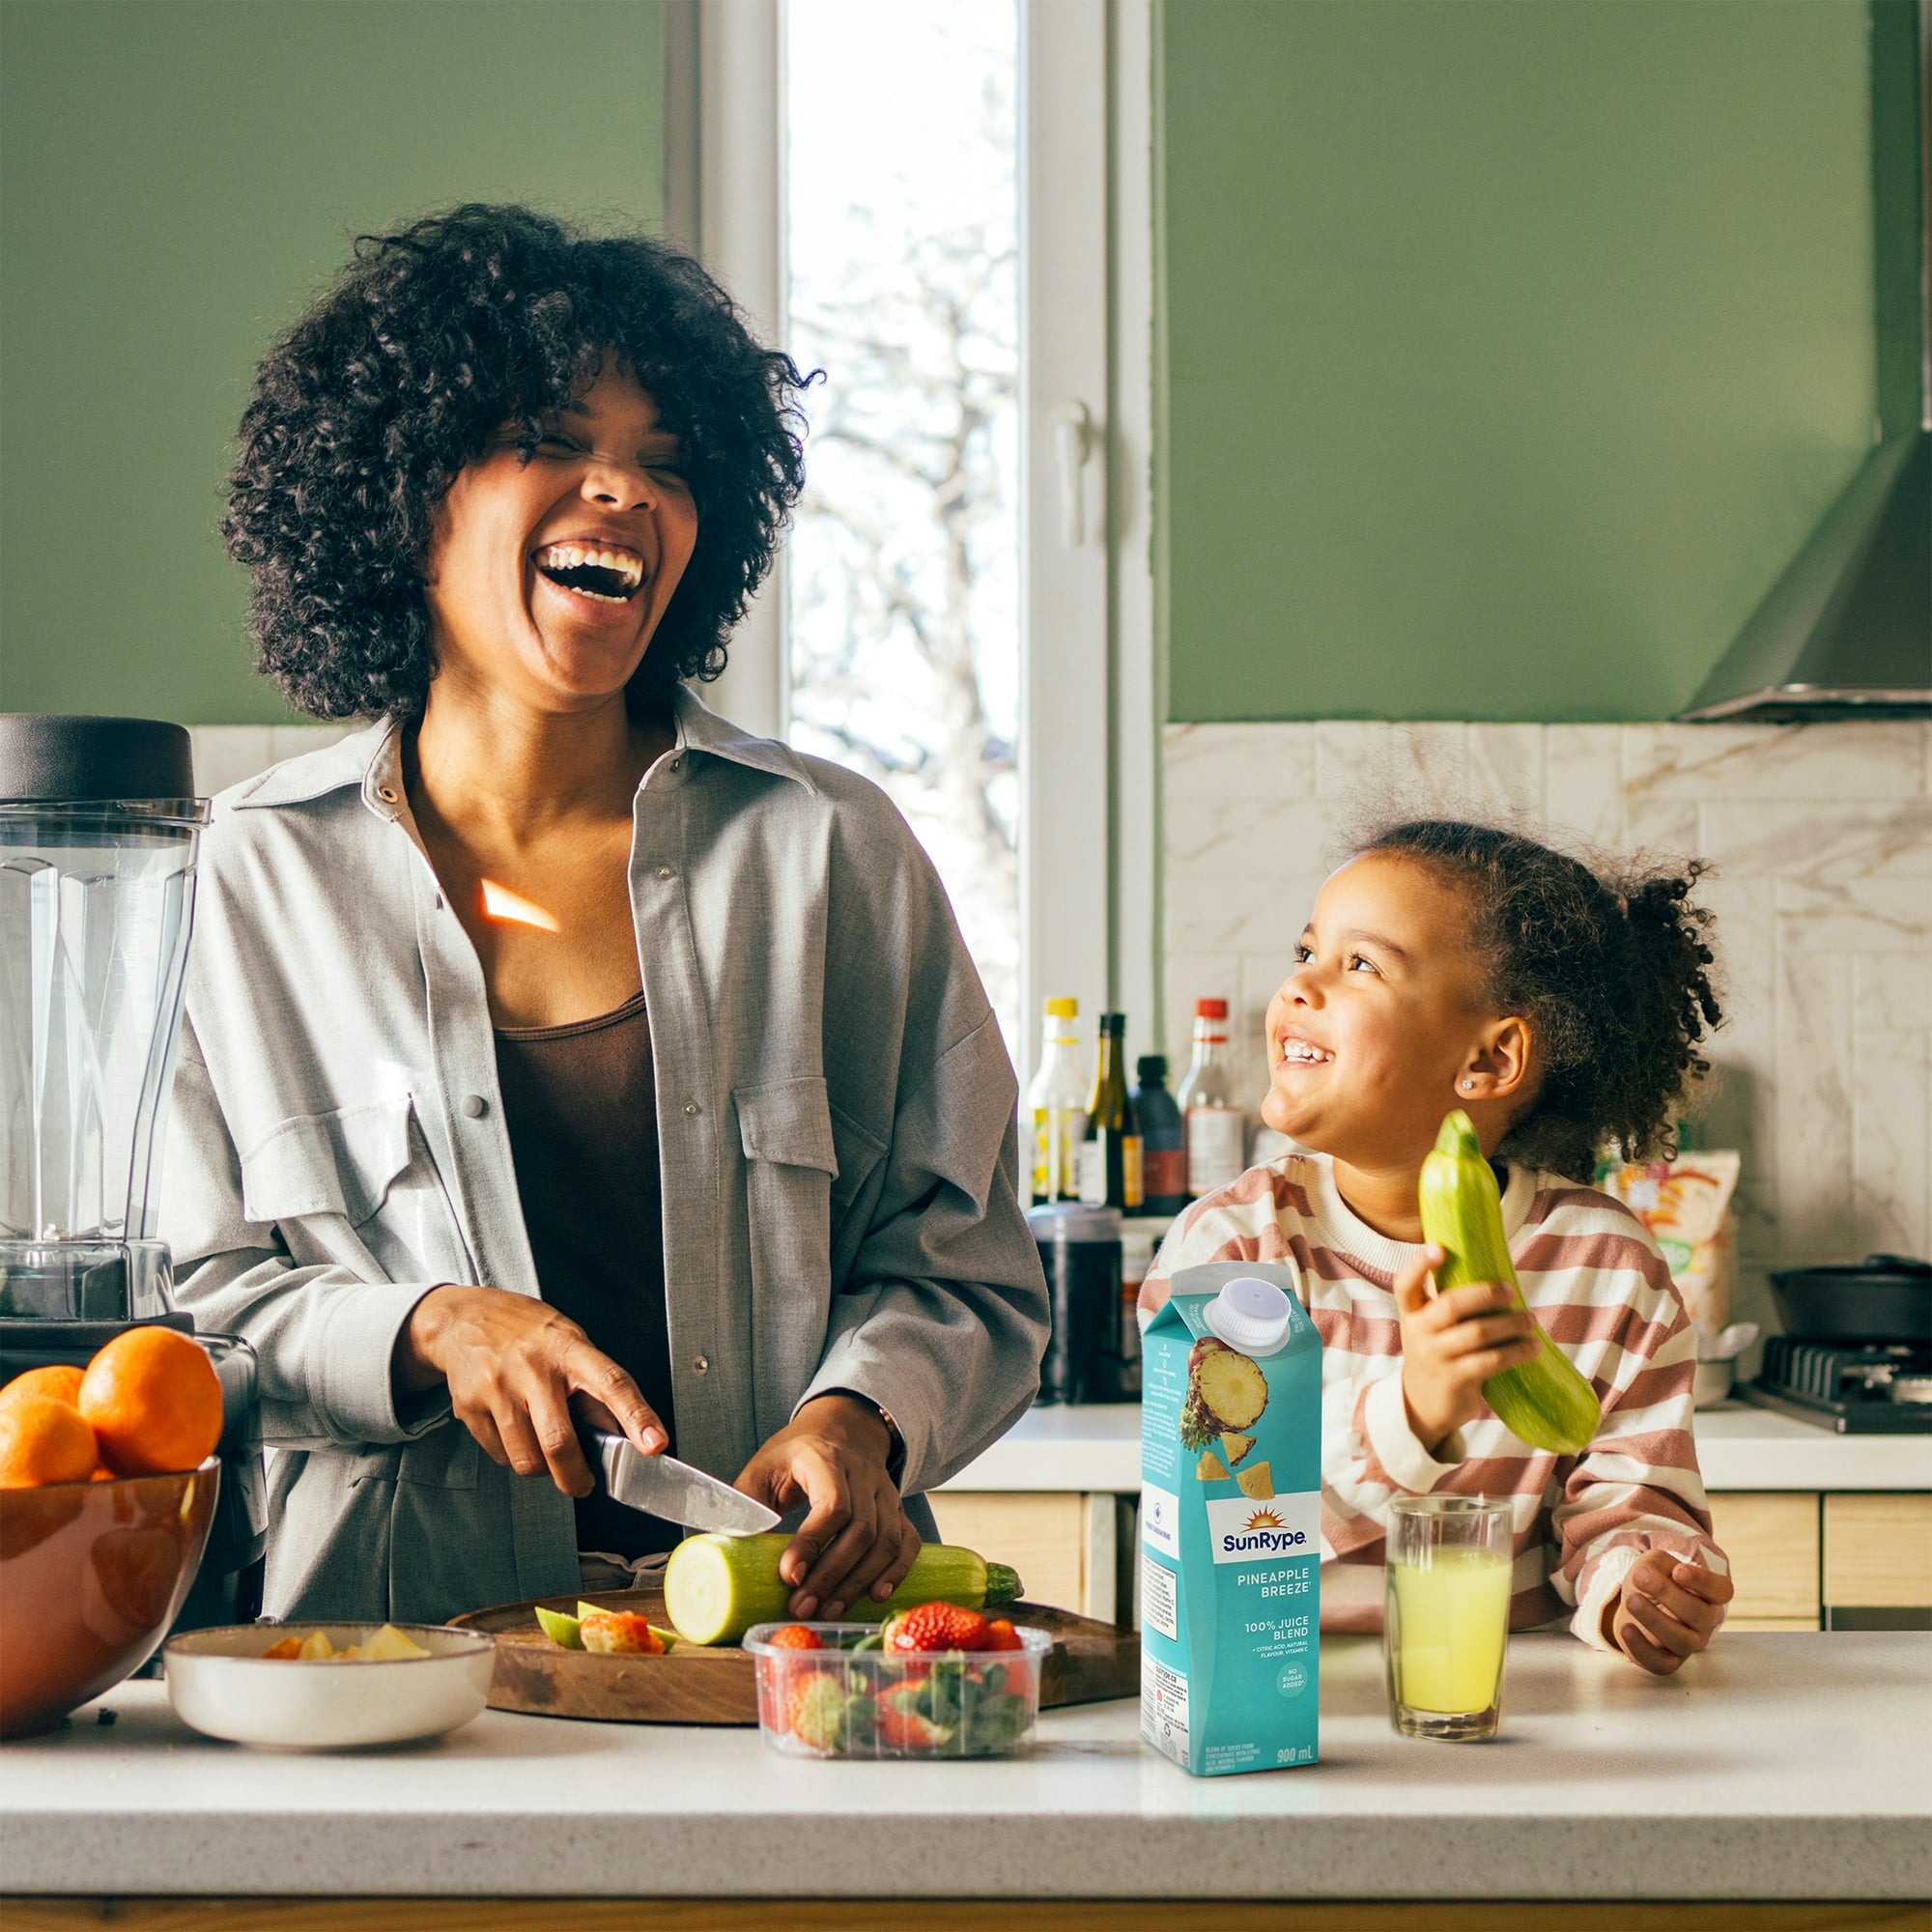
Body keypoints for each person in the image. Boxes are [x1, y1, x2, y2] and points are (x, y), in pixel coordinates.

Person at [164, 204, 1048, 1625]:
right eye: (558, 441)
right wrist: (426, 1329)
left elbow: (969, 1271)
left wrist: (862, 1420)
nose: (623, 493)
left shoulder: (829, 853)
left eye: (667, 463)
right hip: (401, 1687)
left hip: (791, 1675)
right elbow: (187, 1315)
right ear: (410, 492)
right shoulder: (244, 885)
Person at [1140, 820, 1734, 1675]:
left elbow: (1630, 1499)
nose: (1300, 985)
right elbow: (1216, 1525)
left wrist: (1641, 1582)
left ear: (1490, 1059)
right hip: (1271, 1704)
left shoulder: (1607, 1269)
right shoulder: (1230, 1247)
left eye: (1361, 964)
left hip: (1508, 1713)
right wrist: (1411, 1412)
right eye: (1307, 951)